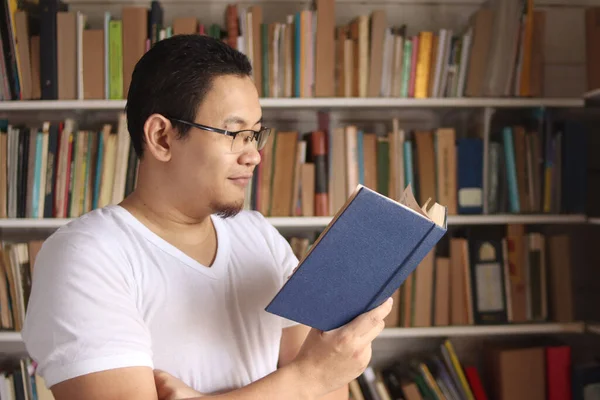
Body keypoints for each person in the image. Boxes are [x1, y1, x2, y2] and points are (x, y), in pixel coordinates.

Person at [22, 34, 393, 400]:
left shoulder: (260, 237)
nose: (253, 156)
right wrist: (306, 378)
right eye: (234, 133)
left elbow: (331, 392)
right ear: (162, 138)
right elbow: (319, 375)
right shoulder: (85, 256)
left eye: (255, 135)